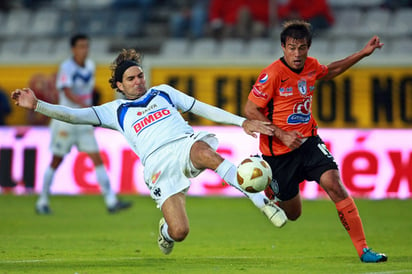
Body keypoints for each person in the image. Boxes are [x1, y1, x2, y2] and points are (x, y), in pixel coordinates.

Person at [11, 48, 287, 255]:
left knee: (206, 153)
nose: (139, 81)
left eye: (140, 75)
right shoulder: (113, 111)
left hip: (184, 144)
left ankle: (262, 203)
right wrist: (38, 105)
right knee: (180, 231)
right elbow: (73, 115)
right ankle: (165, 231)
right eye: (131, 78)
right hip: (157, 166)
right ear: (119, 85)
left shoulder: (162, 93)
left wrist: (242, 122)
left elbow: (201, 107)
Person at [244, 20, 387, 263]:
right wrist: (282, 134)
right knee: (293, 214)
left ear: (308, 47)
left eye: (301, 48)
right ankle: (267, 184)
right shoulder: (272, 74)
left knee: (334, 183)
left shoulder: (311, 66)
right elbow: (250, 110)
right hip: (278, 152)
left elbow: (329, 71)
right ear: (283, 47)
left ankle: (364, 250)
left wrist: (363, 53)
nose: (297, 54)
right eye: (291, 48)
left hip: (309, 142)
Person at [35, 34, 132, 215]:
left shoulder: (90, 66)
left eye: (86, 46)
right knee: (56, 160)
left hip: (83, 120)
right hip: (66, 121)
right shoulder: (67, 67)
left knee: (97, 158)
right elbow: (66, 91)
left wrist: (89, 108)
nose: (84, 50)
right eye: (80, 46)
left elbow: (89, 91)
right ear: (73, 49)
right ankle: (42, 201)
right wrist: (84, 105)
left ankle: (111, 201)